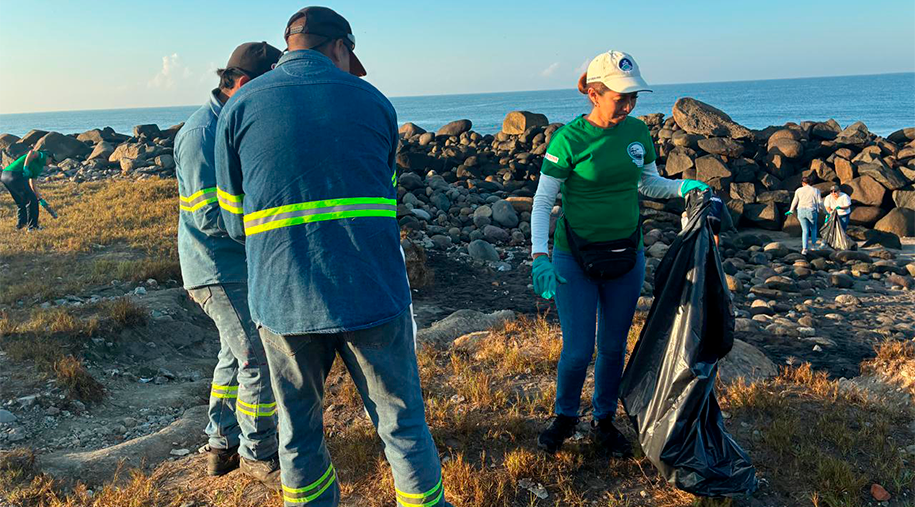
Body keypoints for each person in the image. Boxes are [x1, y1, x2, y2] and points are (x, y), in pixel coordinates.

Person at [214, 7, 451, 507]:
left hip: (284, 301)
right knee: (402, 425)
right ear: (342, 46)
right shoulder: (376, 103)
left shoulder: (238, 108)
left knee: (299, 436)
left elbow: (235, 224)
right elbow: (387, 204)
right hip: (372, 294)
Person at [529, 50, 709, 455]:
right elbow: (543, 202)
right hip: (573, 258)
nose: (628, 105)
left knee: (613, 346)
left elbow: (647, 184)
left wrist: (682, 188)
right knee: (578, 350)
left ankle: (604, 419)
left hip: (627, 255)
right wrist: (539, 256)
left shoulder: (638, 134)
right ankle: (564, 416)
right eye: (620, 97)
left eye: (633, 98)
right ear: (594, 93)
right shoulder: (568, 139)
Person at [174, 41, 283, 486]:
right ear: (241, 84)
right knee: (256, 356)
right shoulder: (203, 134)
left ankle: (221, 444)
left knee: (231, 354)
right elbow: (210, 216)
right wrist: (272, 225)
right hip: (217, 271)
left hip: (230, 267)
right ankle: (260, 454)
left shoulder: (226, 123)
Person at [1, 149, 54, 230]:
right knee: (32, 201)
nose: (51, 162)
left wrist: (40, 199)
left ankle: (20, 225)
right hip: (15, 174)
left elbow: (33, 184)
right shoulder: (42, 155)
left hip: (5, 176)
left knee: (21, 202)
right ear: (48, 156)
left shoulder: (38, 167)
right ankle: (33, 227)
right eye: (51, 160)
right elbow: (31, 152)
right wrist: (25, 167)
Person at [786, 176, 823, 254]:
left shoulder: (798, 190)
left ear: (803, 183)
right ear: (810, 183)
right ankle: (813, 246)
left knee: (805, 230)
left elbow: (795, 201)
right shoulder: (816, 190)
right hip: (811, 211)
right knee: (813, 228)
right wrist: (826, 211)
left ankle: (804, 249)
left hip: (801, 210)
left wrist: (791, 210)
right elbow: (820, 202)